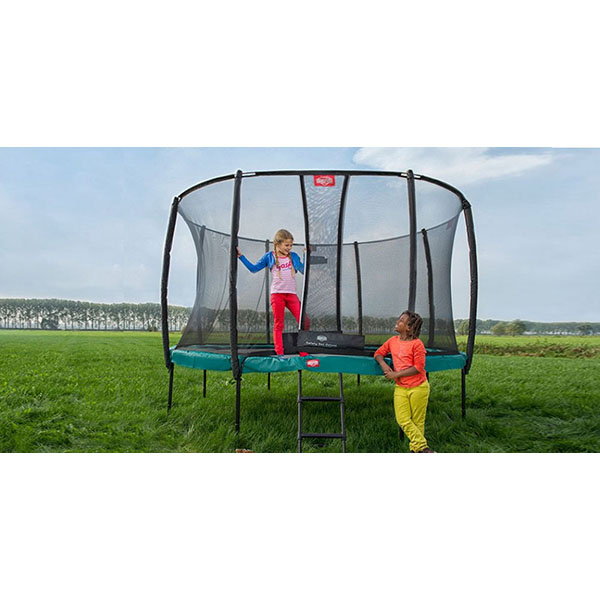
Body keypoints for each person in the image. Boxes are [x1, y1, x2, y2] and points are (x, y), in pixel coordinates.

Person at [237, 229, 306, 356]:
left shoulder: (293, 256)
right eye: (286, 245)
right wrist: (241, 257)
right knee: (279, 324)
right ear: (277, 244)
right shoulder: (269, 256)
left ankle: (304, 351)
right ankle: (280, 353)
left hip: (291, 294)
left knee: (304, 321)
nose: (289, 248)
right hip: (277, 294)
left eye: (291, 245)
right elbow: (253, 268)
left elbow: (303, 270)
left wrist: (305, 255)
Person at [374, 311, 434, 453]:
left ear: (409, 327)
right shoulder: (392, 341)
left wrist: (395, 374)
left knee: (418, 421)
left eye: (401, 320)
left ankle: (417, 450)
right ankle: (423, 447)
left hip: (419, 387)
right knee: (402, 419)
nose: (397, 321)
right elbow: (378, 353)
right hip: (401, 388)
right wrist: (384, 364)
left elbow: (418, 367)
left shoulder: (417, 344)